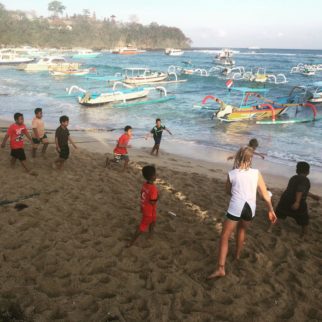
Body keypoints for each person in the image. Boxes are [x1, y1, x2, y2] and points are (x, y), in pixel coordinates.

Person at [207, 147, 277, 279]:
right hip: (250, 208)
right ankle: (237, 255)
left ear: (238, 157)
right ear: (251, 159)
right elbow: (265, 194)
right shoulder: (256, 173)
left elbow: (228, 191)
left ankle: (221, 268)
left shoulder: (232, 174)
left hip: (236, 207)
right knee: (242, 230)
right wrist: (271, 210)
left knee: (225, 236)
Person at [273, 162, 320, 237]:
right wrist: (297, 202)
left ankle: (271, 227)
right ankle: (304, 233)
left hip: (285, 200)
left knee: (279, 214)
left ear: (297, 170)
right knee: (304, 218)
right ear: (308, 171)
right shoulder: (305, 180)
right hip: (295, 201)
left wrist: (313, 196)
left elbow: (300, 190)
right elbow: (300, 190)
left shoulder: (293, 177)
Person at [127, 165, 158, 247]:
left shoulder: (145, 184)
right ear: (152, 177)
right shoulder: (153, 189)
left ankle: (151, 234)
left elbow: (142, 195)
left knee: (154, 220)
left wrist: (141, 206)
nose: (156, 175)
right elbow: (152, 202)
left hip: (145, 207)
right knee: (142, 227)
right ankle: (131, 241)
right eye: (155, 174)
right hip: (149, 210)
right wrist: (158, 197)